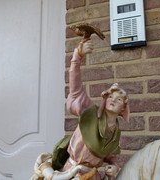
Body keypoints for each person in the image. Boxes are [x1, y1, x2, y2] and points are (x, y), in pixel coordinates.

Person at [32, 40, 130, 180]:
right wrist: (77, 57)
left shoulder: (115, 132)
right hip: (72, 172)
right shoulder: (89, 112)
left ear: (123, 109)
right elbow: (76, 88)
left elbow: (109, 155)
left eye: (119, 99)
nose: (113, 100)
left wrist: (114, 166)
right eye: (110, 96)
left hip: (92, 176)